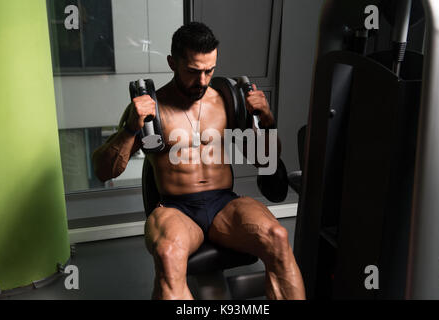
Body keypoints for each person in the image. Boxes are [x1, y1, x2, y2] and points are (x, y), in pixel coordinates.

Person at [93, 22, 305, 300]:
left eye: (209, 70)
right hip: (176, 208)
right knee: (168, 255)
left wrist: (267, 120)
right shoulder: (151, 109)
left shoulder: (226, 101)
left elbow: (264, 158)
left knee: (277, 237)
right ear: (172, 63)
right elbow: (103, 170)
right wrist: (130, 129)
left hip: (224, 204)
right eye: (193, 71)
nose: (203, 80)